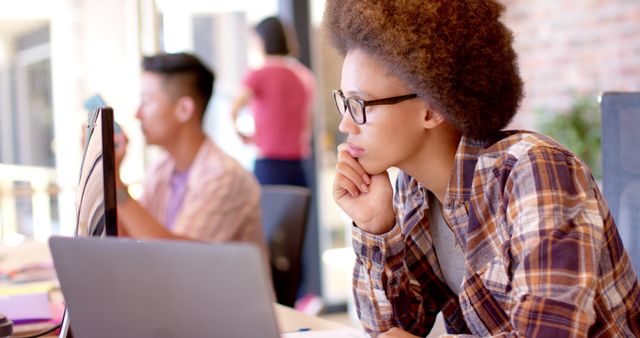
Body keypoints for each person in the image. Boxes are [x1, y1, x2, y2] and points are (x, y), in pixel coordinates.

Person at [324, 1, 640, 337]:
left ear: (431, 108)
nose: (345, 124)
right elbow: (392, 330)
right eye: (343, 102)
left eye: (359, 104)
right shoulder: (411, 192)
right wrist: (376, 226)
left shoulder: (534, 171)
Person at [114, 52, 266, 257]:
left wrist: (117, 186)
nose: (137, 114)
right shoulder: (161, 169)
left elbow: (177, 259)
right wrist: (106, 174)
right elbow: (130, 241)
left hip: (213, 289)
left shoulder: (224, 177)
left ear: (184, 109)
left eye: (147, 101)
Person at [230, 16, 315, 187]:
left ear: (263, 41)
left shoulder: (257, 74)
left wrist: (242, 135)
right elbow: (309, 120)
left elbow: (234, 109)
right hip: (298, 162)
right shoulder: (304, 75)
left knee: (268, 213)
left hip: (268, 163)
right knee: (298, 211)